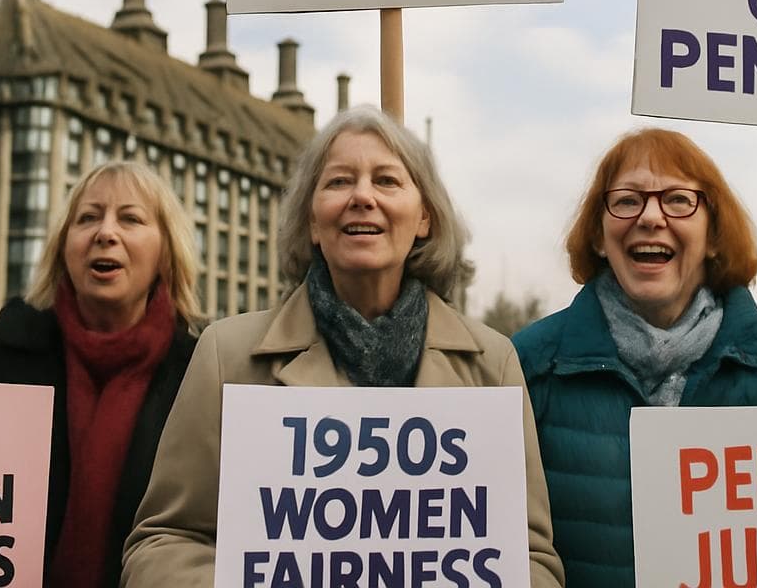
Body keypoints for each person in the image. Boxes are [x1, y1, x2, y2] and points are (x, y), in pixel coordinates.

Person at [119, 106, 564, 587]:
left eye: (388, 181)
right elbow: (163, 542)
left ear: (424, 219)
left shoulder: (493, 364)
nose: (362, 197)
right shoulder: (227, 355)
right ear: (312, 220)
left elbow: (532, 560)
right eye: (338, 182)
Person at [0, 94, 201, 588]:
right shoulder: (2, 352)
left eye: (131, 219)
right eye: (88, 218)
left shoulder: (203, 377)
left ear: (168, 254)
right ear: (62, 249)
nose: (105, 233)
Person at [513, 128, 757, 588]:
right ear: (598, 237)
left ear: (713, 235)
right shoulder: (528, 367)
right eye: (627, 200)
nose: (650, 216)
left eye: (678, 200)